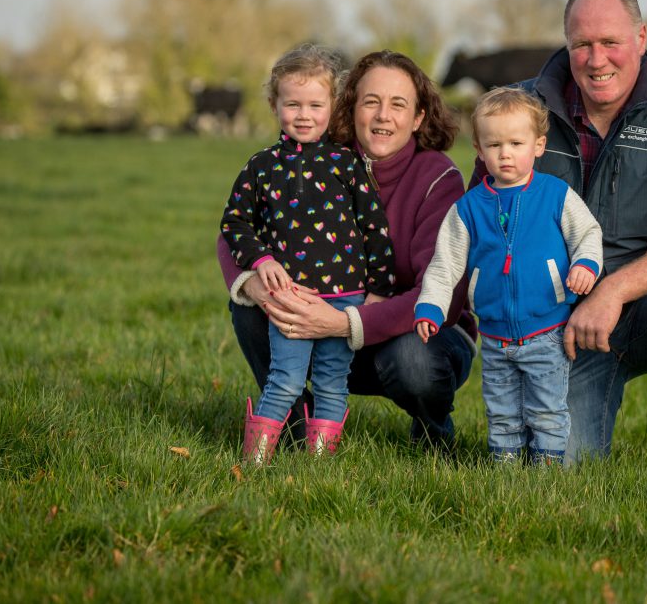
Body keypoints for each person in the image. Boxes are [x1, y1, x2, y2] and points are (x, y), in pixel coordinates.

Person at [481, 0, 647, 473]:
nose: (597, 60)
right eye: (582, 45)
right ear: (567, 45)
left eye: (610, 42)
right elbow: (485, 216)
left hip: (646, 308)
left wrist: (612, 291)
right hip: (560, 329)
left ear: (641, 38)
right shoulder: (521, 110)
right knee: (554, 473)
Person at [218, 50, 477, 452]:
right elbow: (235, 230)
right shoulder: (318, 157)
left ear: (419, 117)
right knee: (251, 306)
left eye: (398, 105)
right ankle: (294, 424)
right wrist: (256, 283)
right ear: (350, 106)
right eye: (371, 101)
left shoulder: (438, 178)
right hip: (317, 312)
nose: (382, 116)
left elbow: (443, 292)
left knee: (413, 361)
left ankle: (433, 431)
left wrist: (343, 322)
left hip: (415, 330)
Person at [219, 43, 396, 464]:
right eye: (292, 104)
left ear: (332, 107)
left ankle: (320, 466)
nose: (303, 115)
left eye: (315, 105)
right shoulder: (261, 167)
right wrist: (262, 260)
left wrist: (380, 291)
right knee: (285, 379)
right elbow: (234, 223)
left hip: (345, 296)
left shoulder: (348, 164)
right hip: (291, 299)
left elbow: (374, 229)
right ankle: (256, 461)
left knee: (333, 382)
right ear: (274, 104)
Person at [415, 88, 603, 465]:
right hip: (496, 335)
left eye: (516, 143)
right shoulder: (467, 209)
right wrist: (430, 306)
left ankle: (545, 469)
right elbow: (445, 262)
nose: (505, 153)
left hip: (546, 331)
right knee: (501, 409)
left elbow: (587, 234)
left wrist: (585, 265)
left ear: (538, 145)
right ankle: (506, 467)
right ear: (479, 150)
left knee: (547, 407)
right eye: (494, 144)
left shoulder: (555, 194)